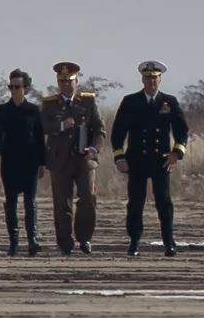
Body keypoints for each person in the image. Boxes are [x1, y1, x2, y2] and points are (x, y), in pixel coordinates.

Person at [111, 60, 188, 257]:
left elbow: (181, 130)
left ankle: (169, 243)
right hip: (136, 160)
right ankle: (134, 242)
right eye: (147, 78)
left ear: (160, 79)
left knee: (164, 202)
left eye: (154, 78)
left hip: (160, 161)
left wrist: (176, 153)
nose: (151, 81)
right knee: (135, 202)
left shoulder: (169, 102)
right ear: (142, 79)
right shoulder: (130, 101)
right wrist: (119, 157)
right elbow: (118, 132)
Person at [39, 60, 105, 255]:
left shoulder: (88, 101)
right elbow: (41, 126)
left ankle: (84, 238)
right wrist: (60, 126)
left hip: (84, 159)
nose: (66, 85)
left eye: (69, 81)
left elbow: (100, 130)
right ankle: (65, 243)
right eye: (62, 81)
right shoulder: (50, 104)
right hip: (60, 160)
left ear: (77, 82)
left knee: (88, 198)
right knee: (62, 203)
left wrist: (94, 148)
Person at [0, 69, 45, 256]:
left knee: (30, 202)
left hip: (30, 162)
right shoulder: (2, 110)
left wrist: (42, 163)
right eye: (11, 86)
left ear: (26, 88)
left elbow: (40, 138)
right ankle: (13, 242)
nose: (13, 90)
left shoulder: (34, 110)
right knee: (11, 202)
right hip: (10, 162)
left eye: (17, 86)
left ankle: (33, 240)